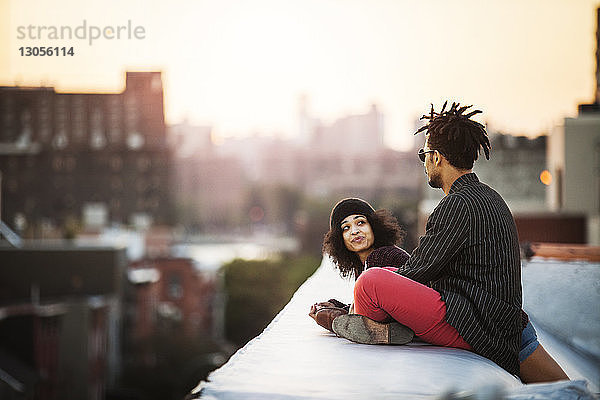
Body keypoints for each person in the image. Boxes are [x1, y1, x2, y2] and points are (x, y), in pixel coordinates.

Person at [310, 101, 569, 382]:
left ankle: (350, 324)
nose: (424, 164)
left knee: (372, 282)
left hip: (476, 325)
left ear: (437, 157)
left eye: (424, 155)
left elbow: (417, 273)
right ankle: (359, 317)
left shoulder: (456, 205)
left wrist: (361, 299)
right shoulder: (490, 196)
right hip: (505, 325)